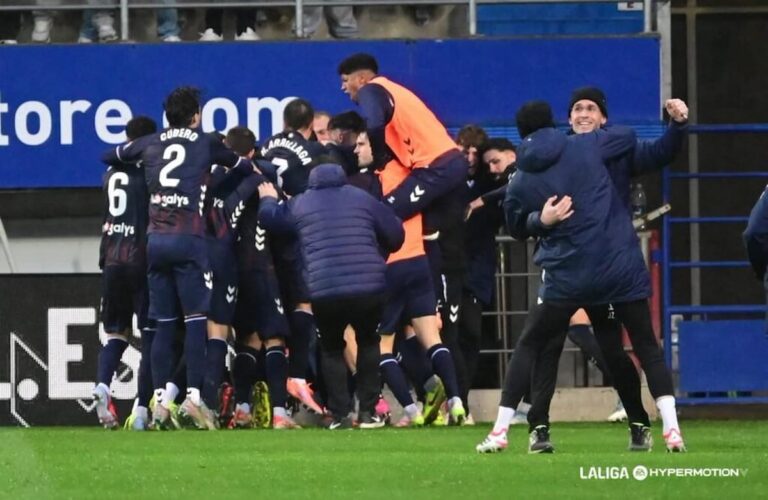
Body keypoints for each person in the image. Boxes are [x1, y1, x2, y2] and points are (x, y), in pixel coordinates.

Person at [476, 100, 685, 454]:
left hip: (568, 273)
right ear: (562, 121)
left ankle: (509, 430)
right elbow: (633, 137)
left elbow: (515, 225)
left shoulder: (523, 176)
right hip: (615, 266)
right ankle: (664, 427)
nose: (583, 115)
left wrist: (540, 221)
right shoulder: (590, 145)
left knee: (538, 344)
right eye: (578, 109)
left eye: (590, 109)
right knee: (634, 346)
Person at [101, 86, 251, 430]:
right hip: (189, 240)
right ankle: (195, 397)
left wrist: (137, 157)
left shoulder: (150, 142)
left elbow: (108, 156)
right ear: (196, 115)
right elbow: (241, 164)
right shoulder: (206, 142)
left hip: (155, 243)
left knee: (164, 324)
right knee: (196, 319)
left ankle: (158, 401)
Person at [257, 162, 404, 429]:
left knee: (332, 348)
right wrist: (376, 254)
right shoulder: (363, 198)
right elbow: (395, 235)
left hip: (324, 288)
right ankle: (368, 413)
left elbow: (271, 220)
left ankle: (338, 414)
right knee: (369, 342)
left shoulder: (302, 202)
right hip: (369, 286)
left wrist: (267, 199)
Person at [337, 53, 468, 236]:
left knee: (382, 216)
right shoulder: (395, 90)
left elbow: (374, 124)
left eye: (345, 80)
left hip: (435, 168)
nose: (342, 87)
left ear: (361, 79)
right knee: (430, 232)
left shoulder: (370, 89)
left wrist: (378, 158)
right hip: (453, 163)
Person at [259, 98, 328, 416]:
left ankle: (267, 397)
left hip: (263, 235)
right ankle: (297, 376)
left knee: (269, 321)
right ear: (310, 124)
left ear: (284, 121)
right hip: (296, 233)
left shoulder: (264, 147)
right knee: (303, 304)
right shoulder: (314, 153)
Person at [92, 116, 157, 431]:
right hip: (140, 259)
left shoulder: (109, 173)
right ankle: (141, 410)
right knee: (150, 335)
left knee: (115, 333)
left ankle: (102, 386)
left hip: (111, 259)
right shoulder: (147, 172)